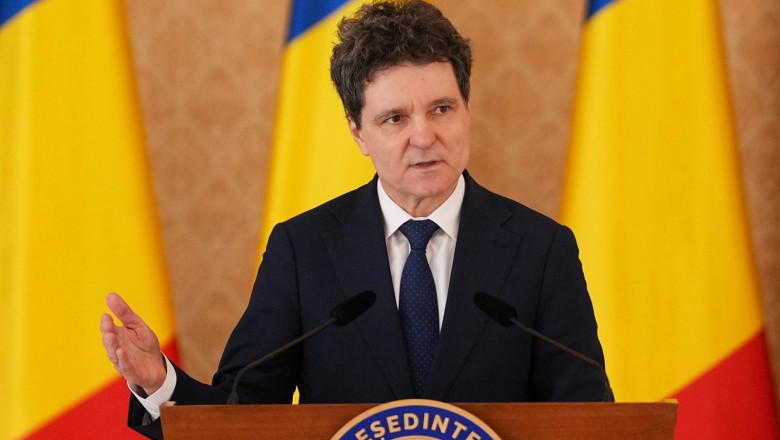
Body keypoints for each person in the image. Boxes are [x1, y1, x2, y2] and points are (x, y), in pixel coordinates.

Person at [100, 1, 610, 438]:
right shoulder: (304, 250)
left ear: (467, 108)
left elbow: (589, 419)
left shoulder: (540, 249)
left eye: (441, 109)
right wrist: (159, 382)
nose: (424, 136)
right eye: (395, 118)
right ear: (358, 132)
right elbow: (241, 415)